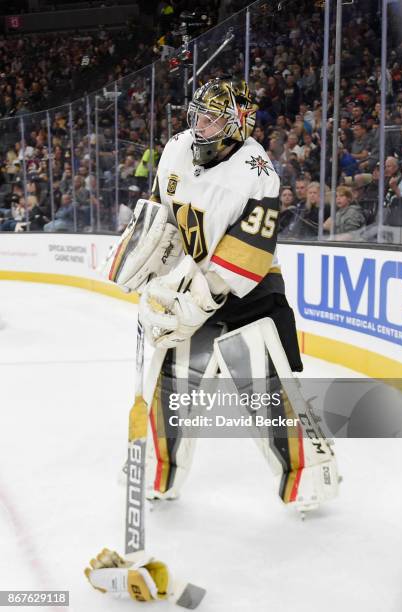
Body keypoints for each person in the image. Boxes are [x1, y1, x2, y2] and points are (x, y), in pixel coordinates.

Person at [86, 78, 339, 603]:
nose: (199, 126)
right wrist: (154, 266)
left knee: (266, 392)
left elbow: (243, 261)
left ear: (239, 125)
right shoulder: (178, 148)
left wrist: (190, 305)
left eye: (212, 120)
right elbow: (162, 213)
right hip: (186, 283)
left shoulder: (259, 174)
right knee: (168, 387)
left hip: (247, 297)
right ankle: (160, 471)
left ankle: (306, 476)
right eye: (197, 115)